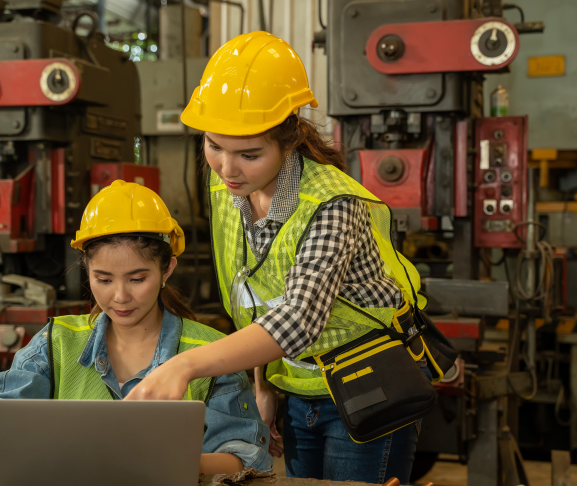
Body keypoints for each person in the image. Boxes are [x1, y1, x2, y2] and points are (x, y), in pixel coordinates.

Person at [125, 31, 433, 483]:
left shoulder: (333, 204)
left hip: (368, 386)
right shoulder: (228, 188)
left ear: (288, 140)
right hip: (297, 388)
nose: (227, 168)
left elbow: (298, 318)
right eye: (214, 146)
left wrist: (185, 364)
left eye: (249, 154)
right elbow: (254, 294)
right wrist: (262, 383)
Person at [0, 181, 274, 475]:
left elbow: (245, 455)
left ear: (167, 269)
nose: (120, 297)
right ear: (86, 269)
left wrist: (167, 464)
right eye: (103, 279)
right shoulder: (56, 344)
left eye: (137, 279)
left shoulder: (211, 353)